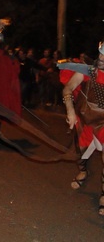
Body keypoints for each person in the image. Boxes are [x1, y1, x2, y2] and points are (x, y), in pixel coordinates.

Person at [59, 42, 104, 216]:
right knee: (80, 153)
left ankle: (103, 195)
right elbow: (68, 89)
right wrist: (70, 110)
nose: (100, 59)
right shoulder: (88, 71)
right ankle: (83, 171)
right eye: (100, 54)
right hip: (86, 118)